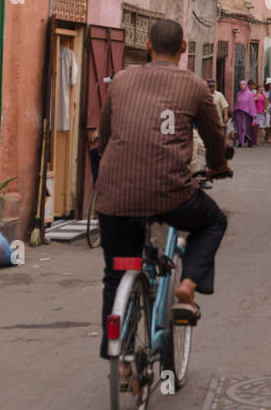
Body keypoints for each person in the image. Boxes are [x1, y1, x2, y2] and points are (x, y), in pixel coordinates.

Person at [93, 19, 231, 348]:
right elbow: (214, 140)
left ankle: (119, 358)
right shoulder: (196, 87)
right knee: (213, 221)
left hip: (114, 197)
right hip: (171, 194)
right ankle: (187, 285)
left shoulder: (121, 81)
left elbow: (105, 139)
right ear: (184, 48)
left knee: (115, 273)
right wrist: (218, 166)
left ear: (147, 47)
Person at [233, 79, 256, 147]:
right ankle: (240, 142)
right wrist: (234, 111)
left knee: (247, 127)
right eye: (240, 85)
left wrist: (253, 115)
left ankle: (249, 141)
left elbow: (252, 105)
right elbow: (236, 103)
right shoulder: (238, 94)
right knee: (239, 127)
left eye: (243, 85)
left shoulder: (249, 94)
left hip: (247, 114)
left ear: (246, 85)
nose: (241, 86)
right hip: (239, 113)